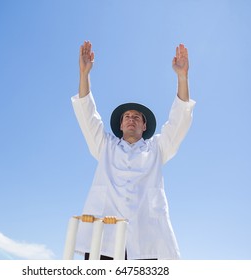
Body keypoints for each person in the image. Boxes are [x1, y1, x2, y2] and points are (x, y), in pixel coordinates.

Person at [71, 41, 196, 260]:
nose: (131, 119)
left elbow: (180, 120)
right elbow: (86, 113)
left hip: (146, 239)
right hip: (104, 239)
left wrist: (182, 77)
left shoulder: (157, 148)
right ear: (120, 125)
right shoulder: (104, 145)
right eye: (127, 116)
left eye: (137, 117)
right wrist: (84, 74)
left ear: (144, 126)